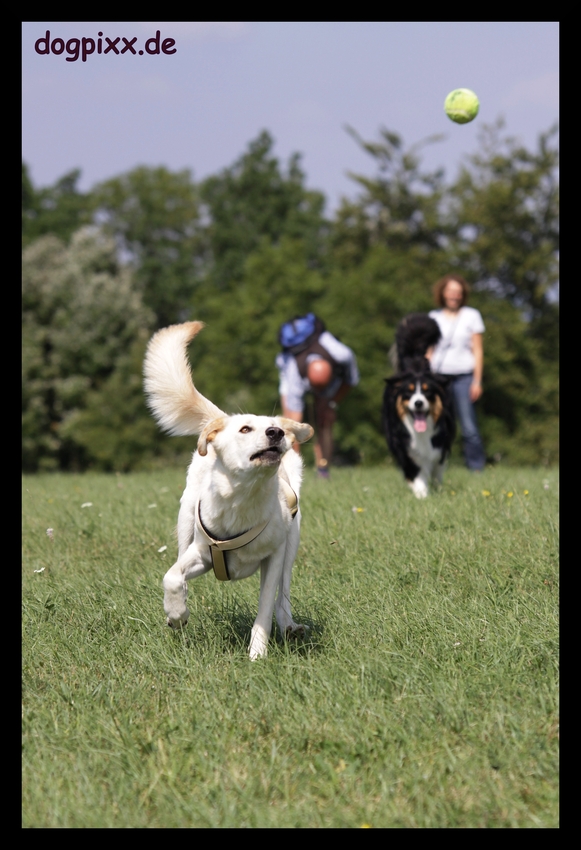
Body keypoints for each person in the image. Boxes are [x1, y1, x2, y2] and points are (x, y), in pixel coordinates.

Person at [276, 316, 359, 478]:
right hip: (290, 372)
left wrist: (332, 403)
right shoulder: (294, 371)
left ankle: (323, 470)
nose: (316, 393)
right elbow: (294, 421)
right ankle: (292, 469)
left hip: (330, 380)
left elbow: (350, 381)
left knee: (325, 419)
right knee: (290, 423)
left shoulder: (343, 356)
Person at [428, 273, 486, 471]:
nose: (454, 295)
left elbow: (477, 351)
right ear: (443, 293)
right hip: (439, 377)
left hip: (464, 376)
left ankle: (476, 468)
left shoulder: (472, 315)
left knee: (469, 427)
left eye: (458, 292)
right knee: (438, 424)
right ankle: (437, 465)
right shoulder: (433, 317)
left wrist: (477, 381)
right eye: (450, 291)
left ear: (463, 295)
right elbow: (429, 352)